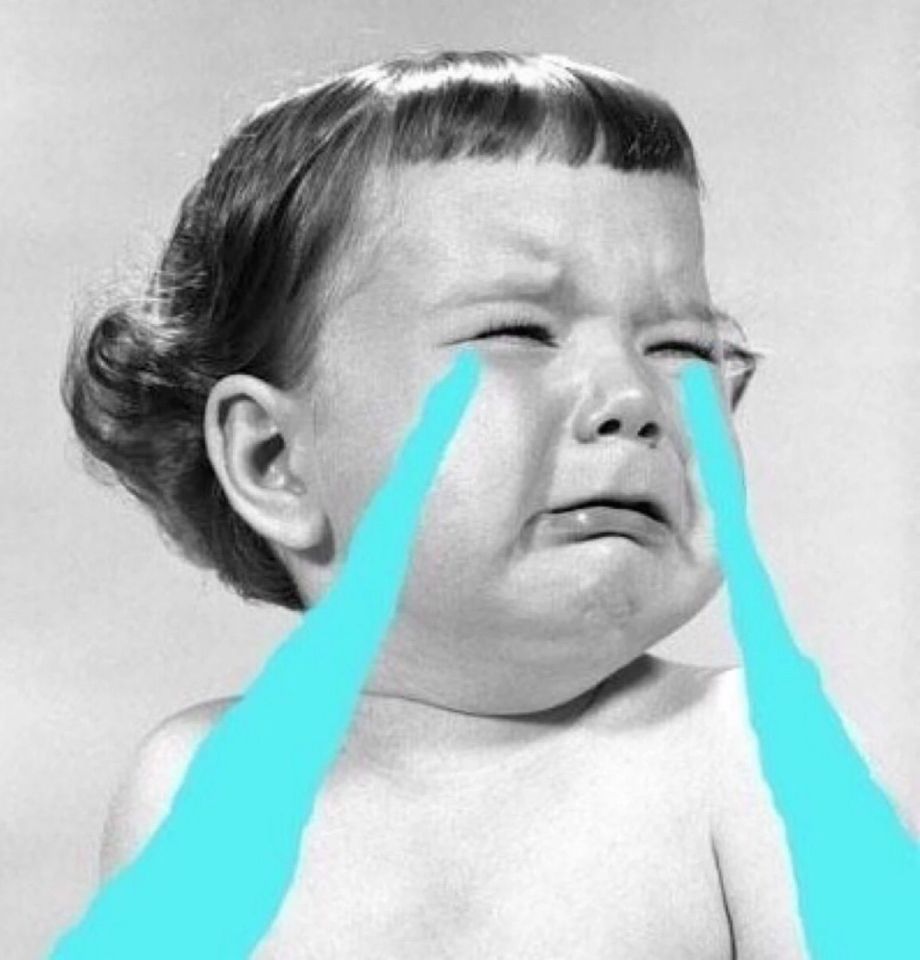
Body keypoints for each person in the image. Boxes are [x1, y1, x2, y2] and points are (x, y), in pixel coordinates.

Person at [62, 51, 808, 958]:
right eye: (519, 330)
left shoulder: (751, 758)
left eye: (682, 345)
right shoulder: (198, 788)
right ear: (274, 460)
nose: (632, 396)